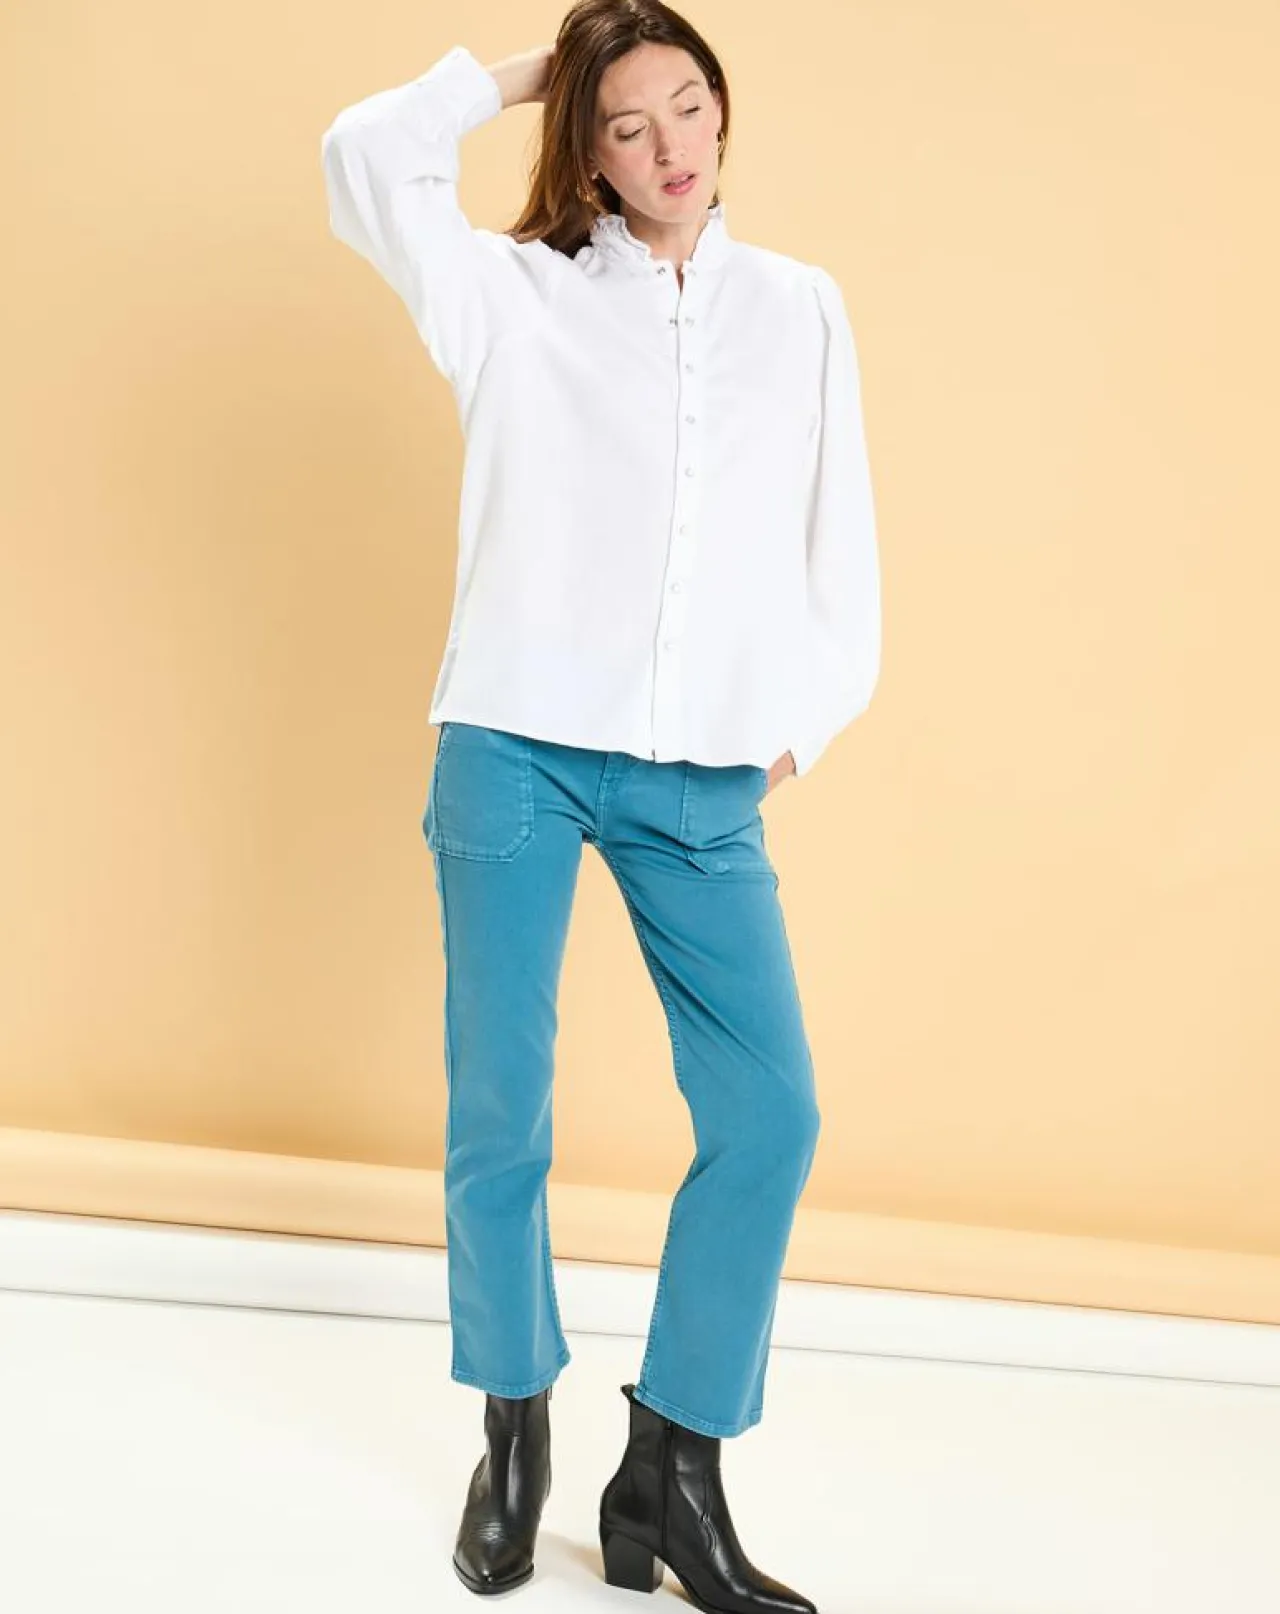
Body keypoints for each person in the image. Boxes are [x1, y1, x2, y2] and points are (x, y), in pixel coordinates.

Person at [321, 0, 880, 1603]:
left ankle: (672, 1469)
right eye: (624, 124)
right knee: (501, 1108)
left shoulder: (801, 308)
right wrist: (529, 73)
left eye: (686, 104)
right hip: (514, 743)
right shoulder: (510, 295)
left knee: (770, 1113)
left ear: (724, 107)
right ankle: (514, 1432)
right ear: (586, 149)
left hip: (701, 772)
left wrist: (796, 728)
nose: (668, 147)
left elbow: (839, 545)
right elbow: (361, 153)